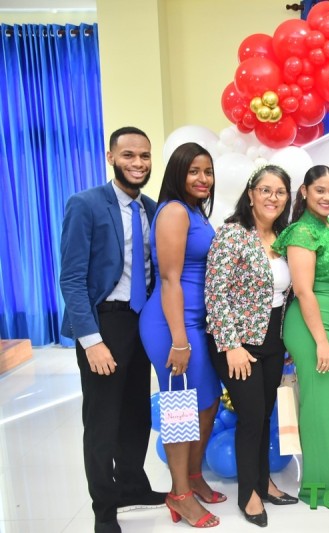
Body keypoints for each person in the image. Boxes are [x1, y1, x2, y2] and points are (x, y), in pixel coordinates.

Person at [60, 126, 166, 533]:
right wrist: (92, 341)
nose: (138, 163)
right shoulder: (85, 204)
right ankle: (104, 510)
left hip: (142, 322)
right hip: (104, 322)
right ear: (111, 158)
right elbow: (71, 279)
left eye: (144, 156)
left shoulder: (153, 209)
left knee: (137, 413)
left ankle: (132, 485)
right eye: (128, 155)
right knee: (102, 420)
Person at [205, 164, 299, 528]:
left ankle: (265, 482)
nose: (273, 197)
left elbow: (285, 294)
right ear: (251, 194)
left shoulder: (283, 237)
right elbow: (215, 293)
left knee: (264, 415)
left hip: (273, 341)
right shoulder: (232, 234)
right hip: (238, 343)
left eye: (280, 191)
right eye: (265, 190)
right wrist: (231, 346)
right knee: (251, 416)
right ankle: (249, 494)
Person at [139, 142, 223, 528]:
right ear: (178, 173)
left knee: (208, 403)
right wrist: (179, 340)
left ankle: (192, 475)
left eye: (208, 171)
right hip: (172, 324)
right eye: (194, 171)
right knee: (181, 409)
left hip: (196, 324)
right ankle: (180, 495)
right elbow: (170, 279)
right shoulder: (174, 211)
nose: (203, 178)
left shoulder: (195, 211)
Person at [272, 165, 329, 504]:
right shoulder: (301, 232)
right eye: (320, 190)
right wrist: (322, 341)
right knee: (320, 405)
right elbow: (303, 291)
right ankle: (321, 486)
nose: (328, 197)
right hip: (313, 328)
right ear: (305, 192)